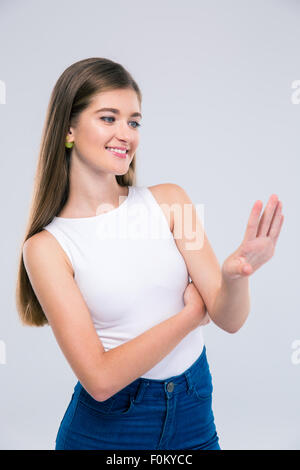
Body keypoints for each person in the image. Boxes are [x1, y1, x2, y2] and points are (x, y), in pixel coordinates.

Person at [16, 57, 284, 450]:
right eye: (108, 118)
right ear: (69, 129)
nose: (125, 133)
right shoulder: (46, 248)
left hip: (193, 410)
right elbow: (101, 380)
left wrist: (235, 277)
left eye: (134, 121)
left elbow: (230, 319)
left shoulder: (171, 202)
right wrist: (191, 315)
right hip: (108, 430)